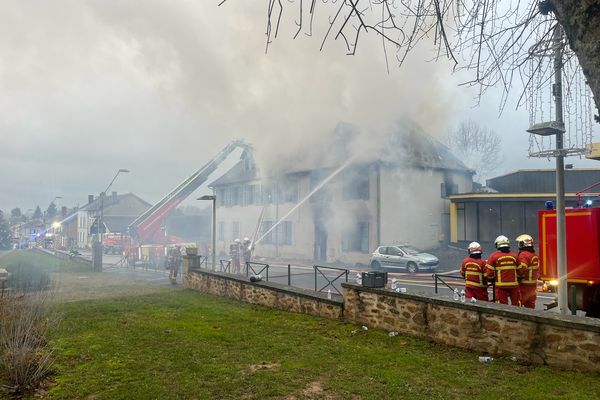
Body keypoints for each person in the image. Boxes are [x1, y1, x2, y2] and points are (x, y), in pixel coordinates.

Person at [484, 235, 521, 306]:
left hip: (501, 286)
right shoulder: (515, 256)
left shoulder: (493, 256)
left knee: (502, 306)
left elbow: (489, 273)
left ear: (497, 245)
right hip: (514, 286)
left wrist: (492, 279)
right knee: (516, 305)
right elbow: (520, 271)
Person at [516, 234, 539, 309]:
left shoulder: (523, 255)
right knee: (531, 306)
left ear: (523, 244)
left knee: (519, 304)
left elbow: (522, 269)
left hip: (524, 285)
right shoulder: (534, 255)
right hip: (533, 284)